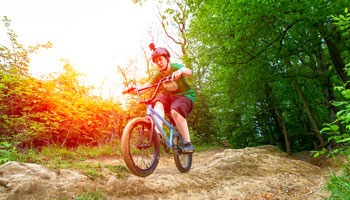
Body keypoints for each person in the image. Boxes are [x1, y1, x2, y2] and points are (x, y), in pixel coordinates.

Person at [129, 43, 195, 153]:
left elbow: (189, 72)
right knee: (158, 103)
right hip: (169, 97)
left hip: (185, 95)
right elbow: (145, 87)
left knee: (175, 111)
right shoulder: (158, 74)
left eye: (161, 59)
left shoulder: (175, 67)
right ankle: (157, 134)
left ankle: (188, 144)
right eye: (156, 61)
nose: (159, 63)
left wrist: (181, 71)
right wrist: (134, 90)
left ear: (166, 58)